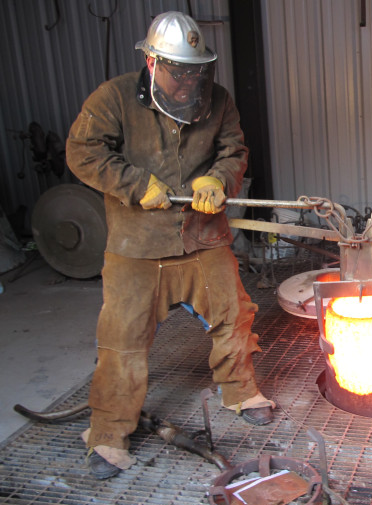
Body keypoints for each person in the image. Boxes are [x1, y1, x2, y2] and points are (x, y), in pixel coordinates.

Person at [65, 11, 275, 480]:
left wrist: (219, 179)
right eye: (178, 72)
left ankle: (240, 392)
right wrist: (134, 183)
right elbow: (83, 151)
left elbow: (233, 150)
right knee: (123, 340)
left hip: (202, 237)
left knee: (234, 315)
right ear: (151, 61)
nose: (187, 82)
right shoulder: (113, 98)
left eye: (195, 72)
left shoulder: (216, 100)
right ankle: (108, 434)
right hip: (136, 245)